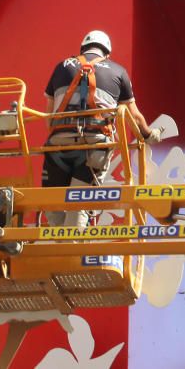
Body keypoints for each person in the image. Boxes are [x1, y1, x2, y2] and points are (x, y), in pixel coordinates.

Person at [43, 30, 161, 227]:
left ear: (82, 49)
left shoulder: (61, 67)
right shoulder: (118, 71)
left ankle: (59, 244)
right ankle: (73, 248)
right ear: (107, 53)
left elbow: (48, 117)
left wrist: (63, 136)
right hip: (95, 144)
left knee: (52, 201)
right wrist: (150, 134)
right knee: (78, 202)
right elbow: (135, 116)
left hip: (59, 142)